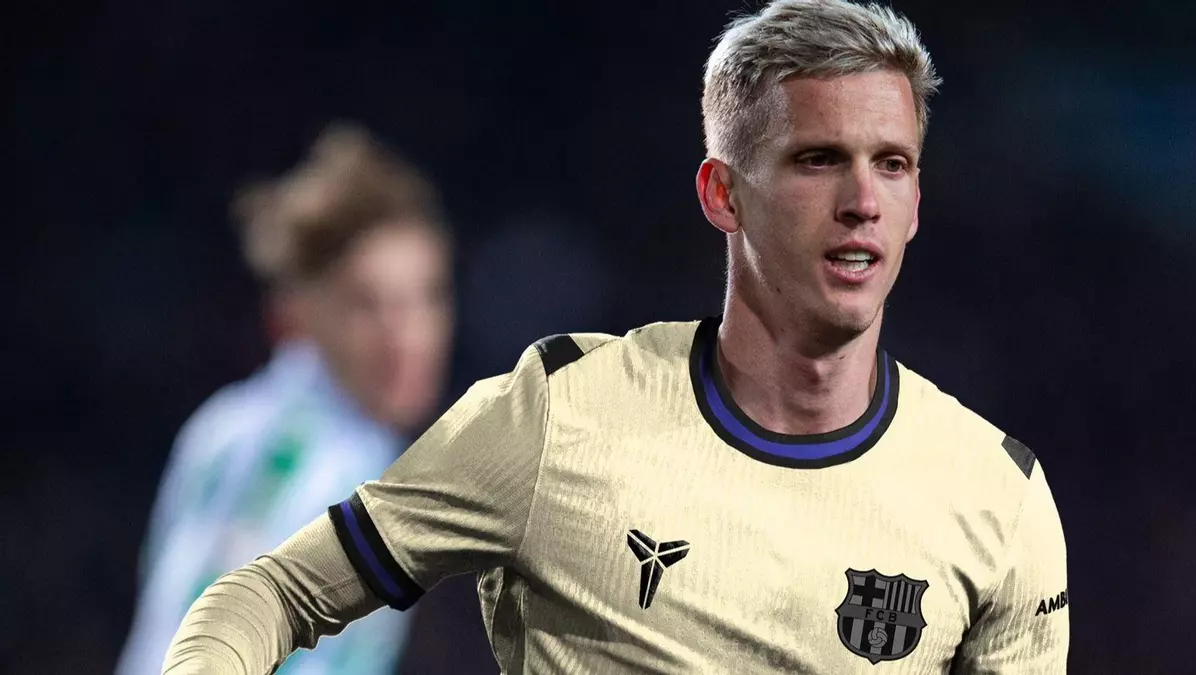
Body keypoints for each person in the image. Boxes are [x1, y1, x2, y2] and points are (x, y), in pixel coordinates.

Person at [162, 2, 1069, 672]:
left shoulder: (998, 499)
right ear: (723, 194)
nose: (863, 200)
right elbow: (268, 593)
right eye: (818, 159)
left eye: (892, 164)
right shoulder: (559, 416)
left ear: (916, 203)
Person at [117, 124, 455, 675]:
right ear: (299, 315)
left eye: (425, 298)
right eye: (367, 304)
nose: (406, 335)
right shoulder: (300, 456)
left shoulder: (244, 428)